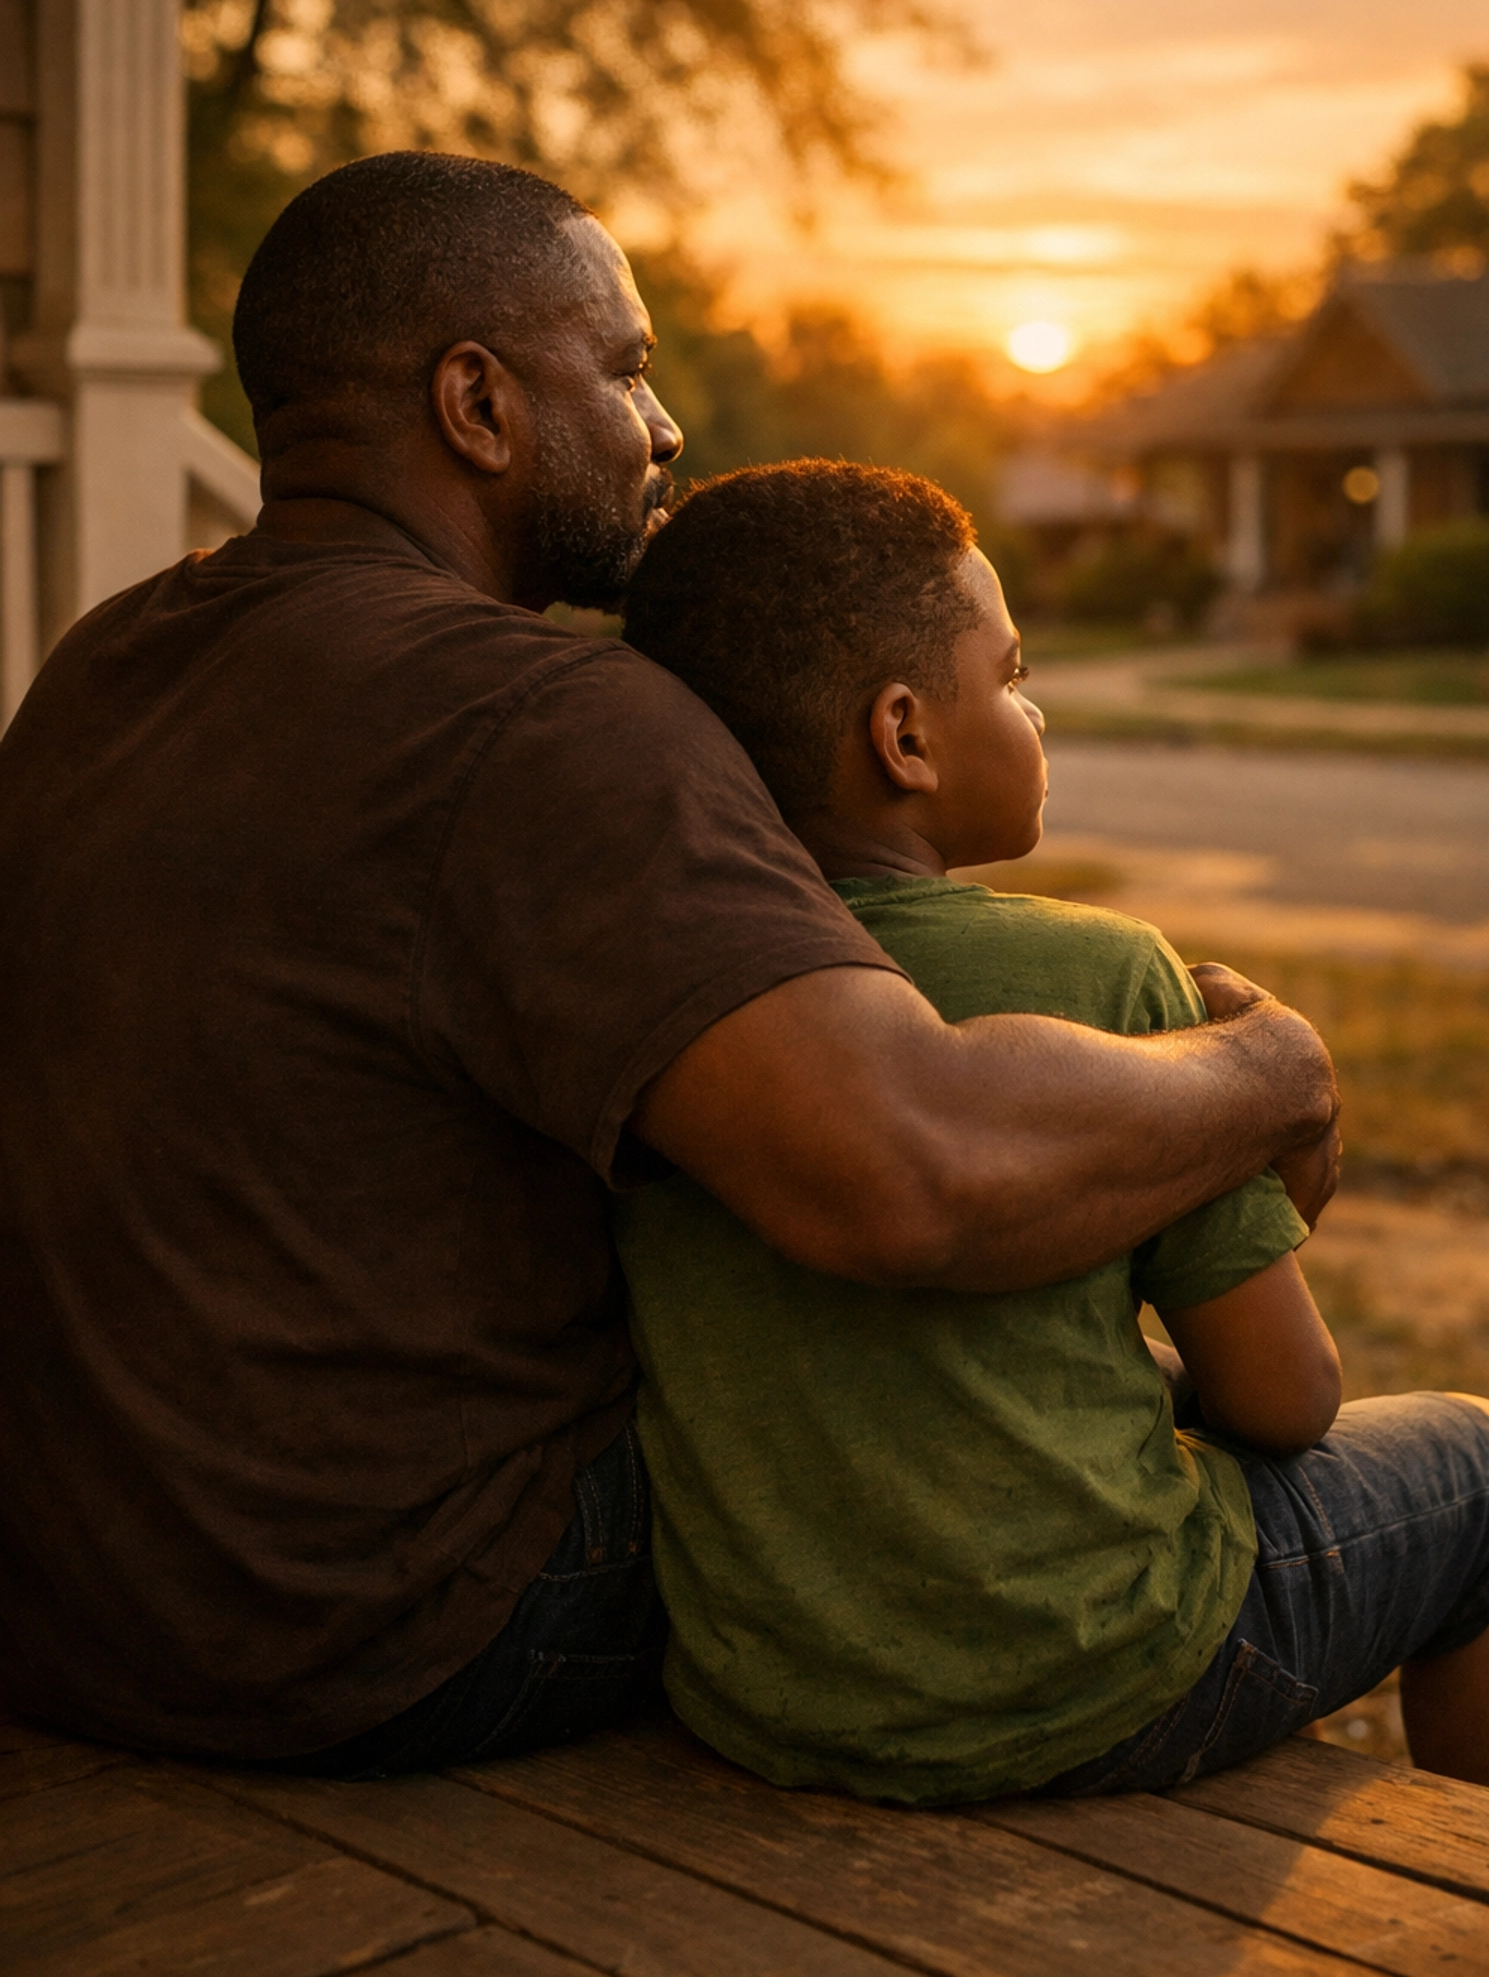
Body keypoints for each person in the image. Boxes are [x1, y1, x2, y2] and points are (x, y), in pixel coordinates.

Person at [0, 155, 1338, 1775]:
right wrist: (1265, 1078)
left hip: (76, 1597)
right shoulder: (543, 719)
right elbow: (911, 1172)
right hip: (394, 1624)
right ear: (478, 406)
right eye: (625, 370)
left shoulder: (103, 659)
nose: (665, 426)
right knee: (952, 1468)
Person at [619, 457, 1489, 1803]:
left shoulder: (674, 992)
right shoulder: (1115, 983)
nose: (1035, 708)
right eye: (1012, 675)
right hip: (1092, 1678)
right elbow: (1288, 1398)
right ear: (905, 738)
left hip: (772, 1695)